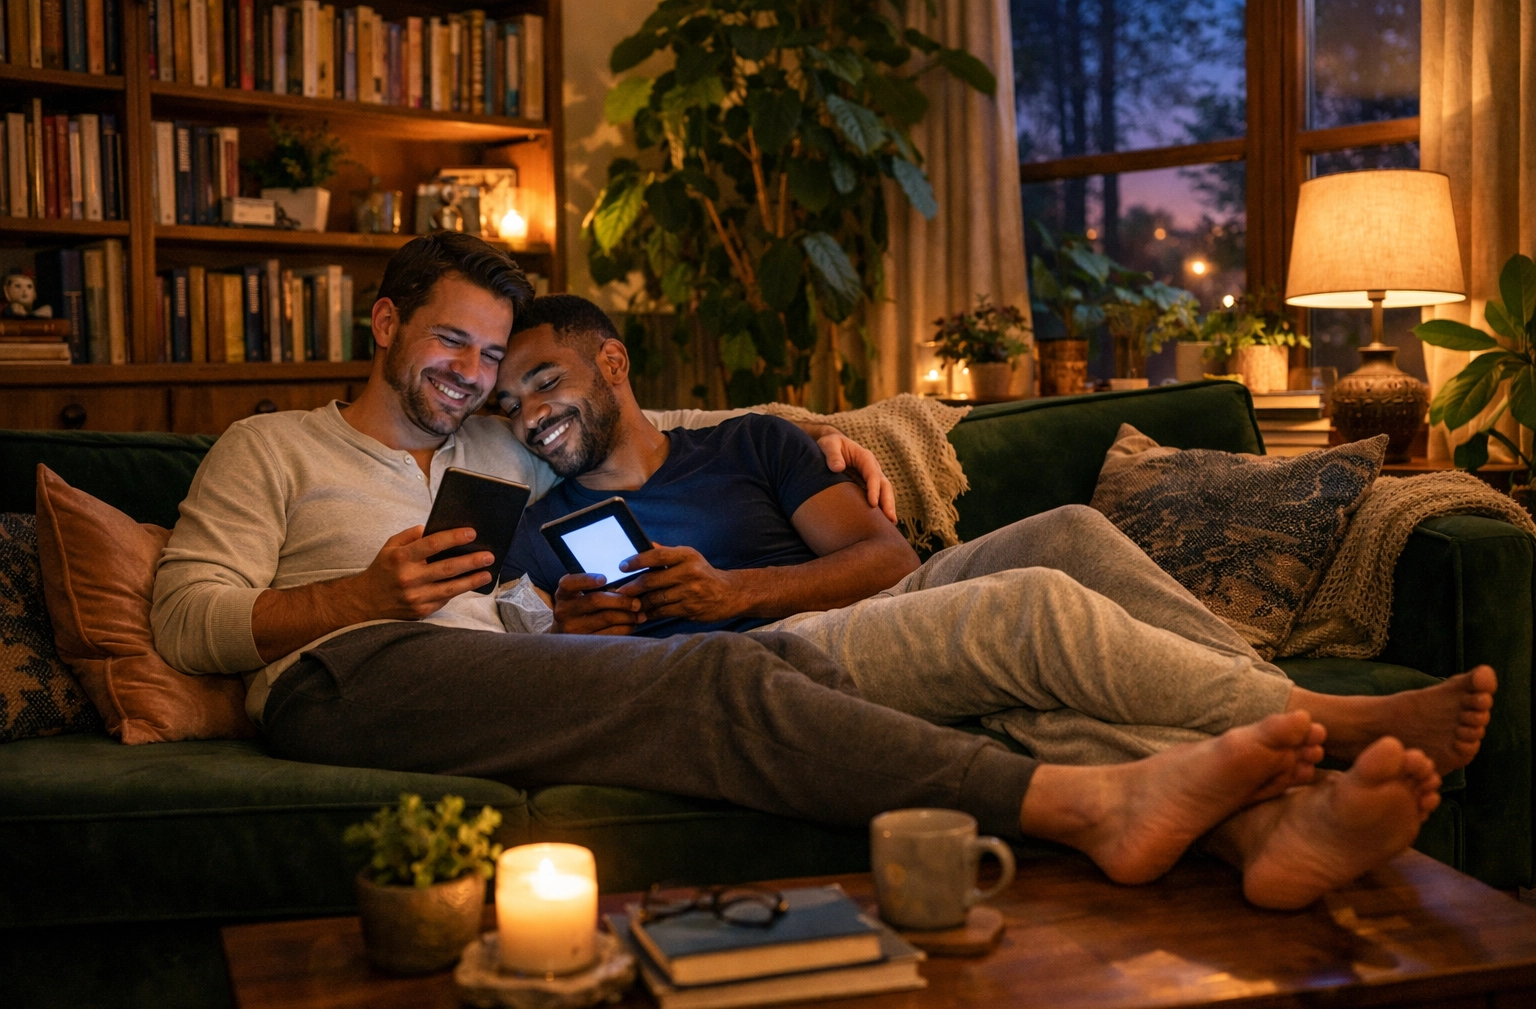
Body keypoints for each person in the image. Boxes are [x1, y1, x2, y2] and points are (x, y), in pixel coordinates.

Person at [149, 234, 1430, 914]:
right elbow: (191, 618)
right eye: (451, 342)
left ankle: (1260, 804)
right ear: (384, 326)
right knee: (727, 667)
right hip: (349, 670)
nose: (473, 376)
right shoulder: (273, 446)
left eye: (492, 358)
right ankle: (1105, 801)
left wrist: (837, 439)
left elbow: (652, 430)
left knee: (793, 648)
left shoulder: (496, 446)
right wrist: (361, 595)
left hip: (504, 662)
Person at [492, 294, 1495, 908]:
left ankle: (1264, 819)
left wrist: (731, 586)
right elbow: (595, 700)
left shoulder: (755, 440)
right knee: (1028, 610)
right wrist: (585, 634)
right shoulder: (543, 529)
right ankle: (1325, 723)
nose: (531, 413)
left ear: (613, 361)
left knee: (1064, 535)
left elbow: (884, 559)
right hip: (769, 675)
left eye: (545, 381)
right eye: (513, 402)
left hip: (864, 614)